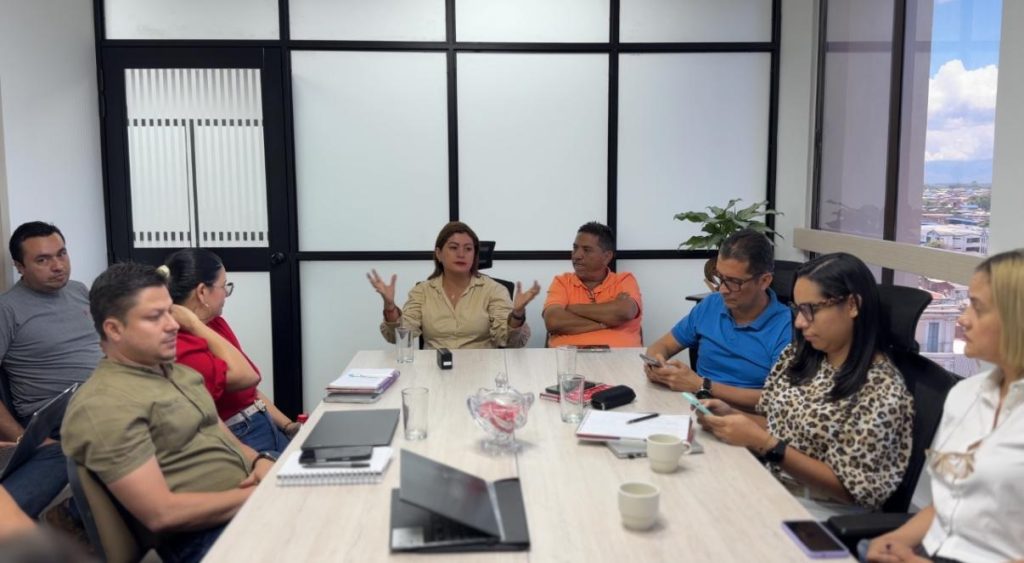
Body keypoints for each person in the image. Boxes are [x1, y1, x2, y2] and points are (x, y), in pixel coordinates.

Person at [61, 263, 275, 563]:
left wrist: (261, 461)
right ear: (114, 329)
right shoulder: (104, 404)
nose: (174, 325)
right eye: (154, 317)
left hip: (249, 506)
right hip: (206, 536)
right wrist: (260, 497)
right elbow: (162, 514)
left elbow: (220, 434)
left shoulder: (178, 373)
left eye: (170, 312)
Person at [696, 253, 913, 519]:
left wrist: (766, 444)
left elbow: (852, 489)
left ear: (852, 305)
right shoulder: (800, 356)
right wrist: (732, 415)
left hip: (820, 513)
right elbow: (777, 425)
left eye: (811, 310)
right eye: (798, 309)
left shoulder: (881, 389)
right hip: (767, 483)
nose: (799, 322)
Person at [866, 250, 1024, 563]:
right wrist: (891, 540)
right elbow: (950, 504)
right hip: (931, 551)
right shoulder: (964, 394)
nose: (963, 319)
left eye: (977, 308)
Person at [0, 222, 102, 518]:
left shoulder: (80, 291)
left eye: (62, 254)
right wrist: (24, 439)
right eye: (43, 260)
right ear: (19, 266)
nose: (58, 266)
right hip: (59, 418)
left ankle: (75, 518)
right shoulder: (7, 309)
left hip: (106, 400)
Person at [161, 249, 296, 455]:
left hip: (264, 423)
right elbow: (249, 376)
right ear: (202, 292)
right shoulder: (180, 344)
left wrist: (289, 427)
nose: (226, 294)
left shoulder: (215, 324)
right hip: (240, 435)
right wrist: (194, 325)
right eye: (224, 286)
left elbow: (251, 393)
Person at [644, 229, 791, 409]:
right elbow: (661, 346)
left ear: (764, 281)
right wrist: (657, 365)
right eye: (720, 277)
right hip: (696, 408)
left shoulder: (787, 327)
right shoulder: (711, 305)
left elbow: (781, 400)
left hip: (745, 421)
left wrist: (702, 385)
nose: (722, 289)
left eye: (734, 282)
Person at [369, 221, 540, 349]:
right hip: (434, 370)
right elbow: (399, 339)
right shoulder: (422, 291)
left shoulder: (494, 290)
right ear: (439, 254)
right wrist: (390, 307)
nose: (461, 254)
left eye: (468, 249)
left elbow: (512, 342)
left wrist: (517, 315)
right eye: (453, 247)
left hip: (482, 370)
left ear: (475, 255)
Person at [542, 222, 642, 347]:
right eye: (575, 248)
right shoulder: (562, 282)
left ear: (607, 257)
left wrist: (571, 308)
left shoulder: (624, 280)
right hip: (569, 362)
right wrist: (606, 321)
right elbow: (553, 321)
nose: (577, 255)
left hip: (620, 361)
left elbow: (624, 312)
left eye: (587, 250)